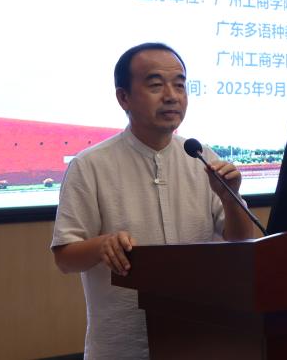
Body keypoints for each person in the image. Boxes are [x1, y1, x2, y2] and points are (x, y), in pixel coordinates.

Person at [51, 42, 256, 360]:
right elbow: (65, 258)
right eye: (156, 85)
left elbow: (242, 240)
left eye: (180, 85)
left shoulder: (201, 156)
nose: (172, 96)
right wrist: (102, 245)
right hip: (121, 347)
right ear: (124, 98)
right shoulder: (90, 165)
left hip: (199, 341)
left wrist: (230, 199)